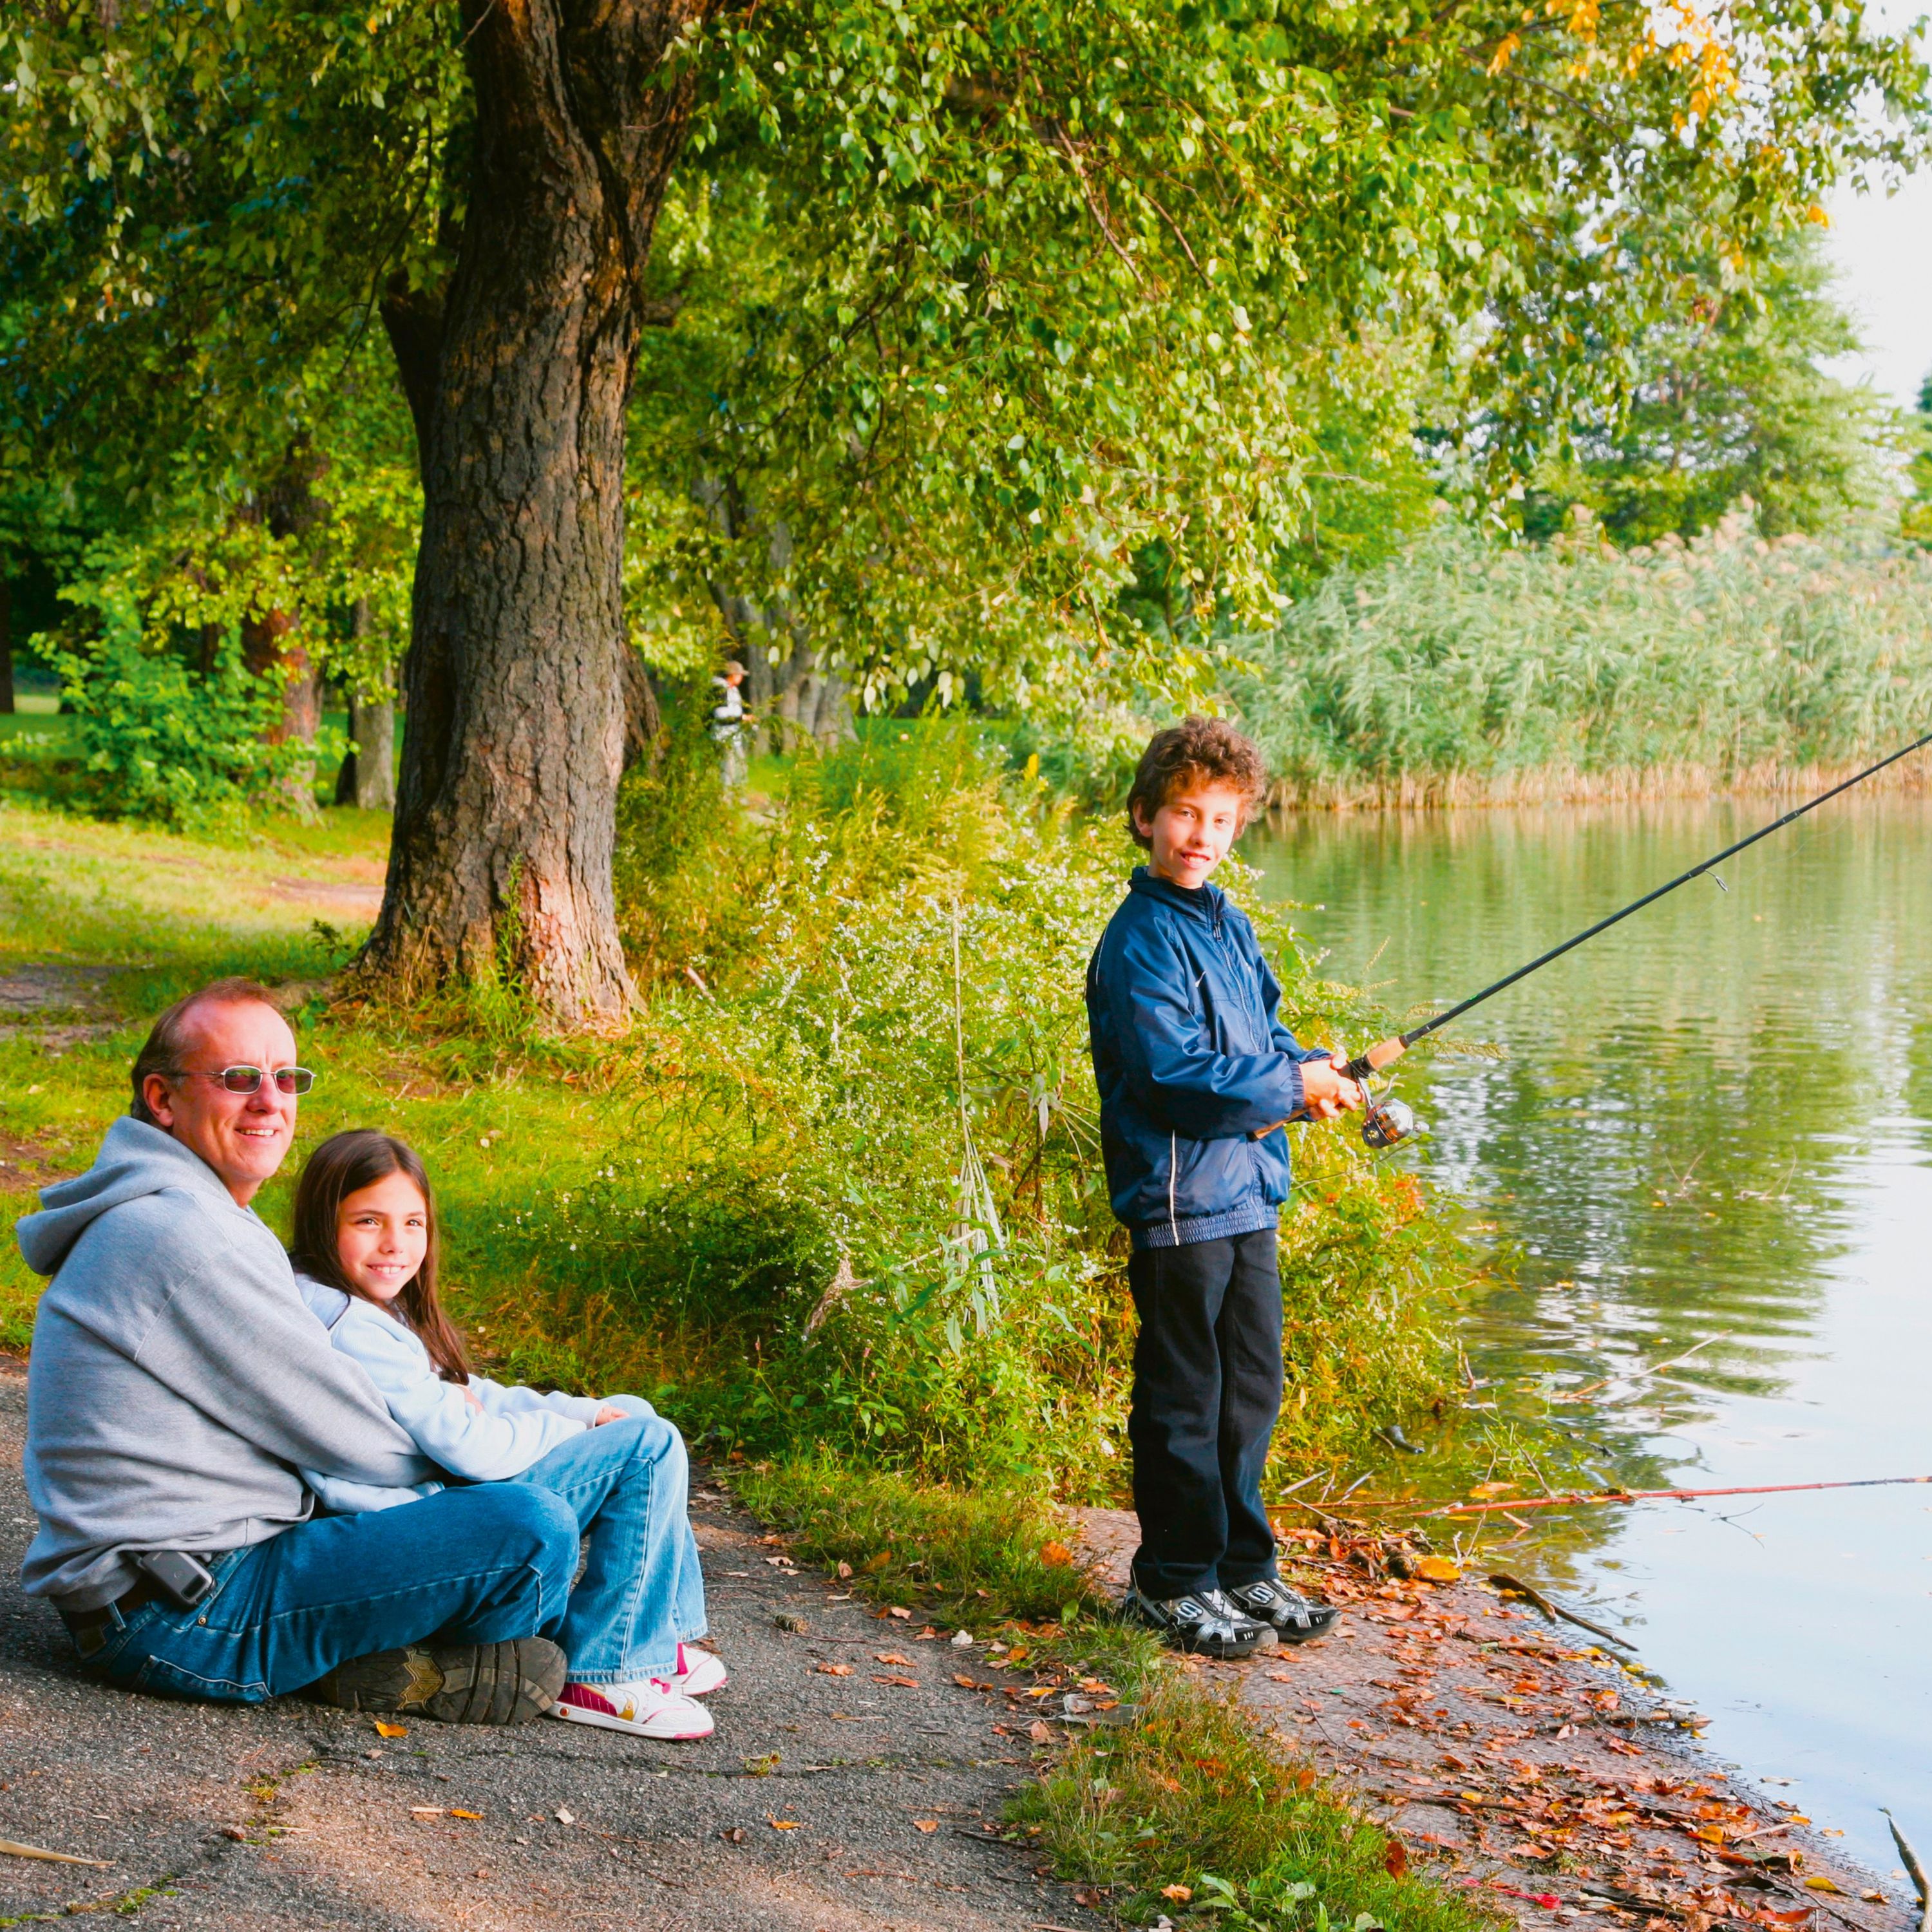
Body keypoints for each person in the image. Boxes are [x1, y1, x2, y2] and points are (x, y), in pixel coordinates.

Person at [17, 979, 578, 1722]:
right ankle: (455, 1661)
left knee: (494, 1512)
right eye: (239, 1079)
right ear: (162, 1099)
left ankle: (386, 1657)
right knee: (529, 1525)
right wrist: (470, 1444)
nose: (270, 1101)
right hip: (184, 1611)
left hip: (188, 1576)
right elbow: (355, 1441)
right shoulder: (183, 1236)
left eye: (287, 1079)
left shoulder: (189, 1212)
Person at [287, 1128, 718, 1740]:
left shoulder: (373, 1308)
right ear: (321, 1222)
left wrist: (582, 1410)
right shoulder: (348, 1324)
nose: (395, 1244)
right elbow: (470, 1445)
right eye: (368, 1222)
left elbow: (468, 1393)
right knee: (648, 1447)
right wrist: (553, 1426)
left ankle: (654, 1633)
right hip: (422, 1517)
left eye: (413, 1224)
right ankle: (605, 1668)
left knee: (632, 1411)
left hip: (437, 1488)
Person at [1085, 718, 1363, 1659]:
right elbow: (1175, 1078)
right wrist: (1290, 1089)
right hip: (1176, 1201)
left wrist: (1316, 1073)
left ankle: (1243, 1568)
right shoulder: (1139, 943)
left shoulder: (1230, 926)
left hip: (1246, 1190)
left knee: (1249, 1387)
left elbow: (1266, 1040)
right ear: (1144, 819)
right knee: (1183, 1394)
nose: (1201, 835)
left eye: (1221, 820)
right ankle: (1170, 1583)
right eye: (1183, 815)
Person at [711, 659, 750, 790]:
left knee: (740, 767)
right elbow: (720, 715)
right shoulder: (721, 690)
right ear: (733, 675)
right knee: (727, 771)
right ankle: (725, 800)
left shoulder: (733, 690)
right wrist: (741, 718)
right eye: (740, 675)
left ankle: (737, 798)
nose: (741, 678)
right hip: (723, 737)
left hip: (734, 737)